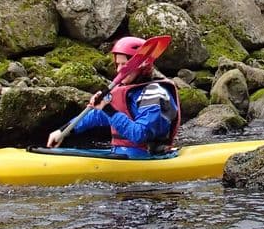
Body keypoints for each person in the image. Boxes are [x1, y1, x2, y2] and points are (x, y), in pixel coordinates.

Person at [46, 36, 181, 159]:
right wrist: (64, 131)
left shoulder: (155, 93)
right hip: (121, 154)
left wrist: (108, 109)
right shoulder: (124, 90)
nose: (119, 70)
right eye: (118, 64)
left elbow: (139, 135)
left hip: (147, 157)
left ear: (141, 65)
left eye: (124, 64)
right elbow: (96, 116)